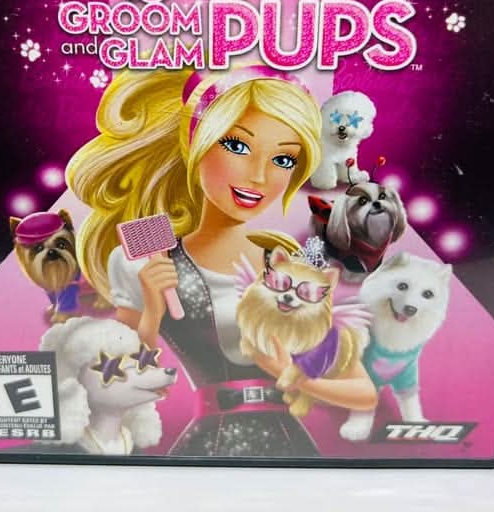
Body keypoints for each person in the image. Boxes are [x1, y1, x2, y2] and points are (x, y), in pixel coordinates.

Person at [67, 66, 377, 456]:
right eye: (237, 146)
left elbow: (362, 392)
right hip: (206, 450)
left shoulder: (290, 270)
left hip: (291, 453)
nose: (260, 176)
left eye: (283, 160)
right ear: (194, 144)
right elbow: (117, 382)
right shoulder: (145, 262)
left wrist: (294, 378)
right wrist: (151, 313)